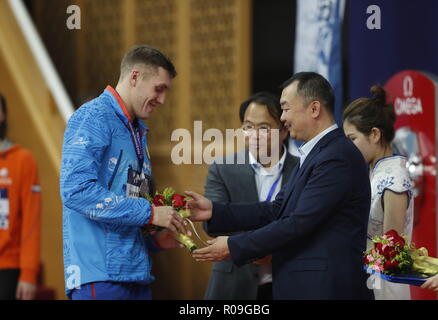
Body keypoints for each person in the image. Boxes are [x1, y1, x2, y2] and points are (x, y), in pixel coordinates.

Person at [186, 72, 373, 300]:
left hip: (325, 288)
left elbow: (298, 223)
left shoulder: (336, 156)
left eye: (285, 108)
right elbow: (276, 209)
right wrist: (215, 211)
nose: (283, 117)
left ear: (314, 109)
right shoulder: (317, 153)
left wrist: (235, 245)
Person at [60, 45, 188, 300]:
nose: (162, 100)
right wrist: (150, 212)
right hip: (99, 276)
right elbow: (75, 191)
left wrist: (153, 241)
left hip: (135, 275)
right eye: (159, 89)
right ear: (135, 77)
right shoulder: (93, 117)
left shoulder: (136, 130)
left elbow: (127, 204)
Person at [203, 92, 298, 300]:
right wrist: (254, 247)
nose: (254, 135)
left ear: (283, 131)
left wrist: (273, 249)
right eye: (247, 127)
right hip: (234, 283)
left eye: (264, 128)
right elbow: (212, 223)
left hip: (285, 280)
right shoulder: (224, 168)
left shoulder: (301, 169)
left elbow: (305, 223)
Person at [342, 85, 414, 300]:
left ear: (374, 134)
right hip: (368, 279)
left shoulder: (395, 177)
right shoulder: (374, 170)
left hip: (386, 285)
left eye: (352, 139)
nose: (348, 148)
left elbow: (392, 249)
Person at [0, 94, 41, 300]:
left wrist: (29, 273)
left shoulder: (23, 160)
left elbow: (31, 222)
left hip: (8, 266)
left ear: (3, 115)